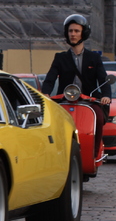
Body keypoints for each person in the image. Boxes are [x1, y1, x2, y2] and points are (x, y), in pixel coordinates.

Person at [41, 14, 111, 155]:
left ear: (83, 33)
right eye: (70, 31)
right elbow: (50, 78)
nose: (73, 34)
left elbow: (103, 79)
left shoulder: (94, 58)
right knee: (49, 122)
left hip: (89, 101)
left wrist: (106, 96)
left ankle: (95, 153)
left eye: (76, 31)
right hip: (64, 100)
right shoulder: (60, 58)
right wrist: (46, 93)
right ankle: (54, 154)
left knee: (98, 116)